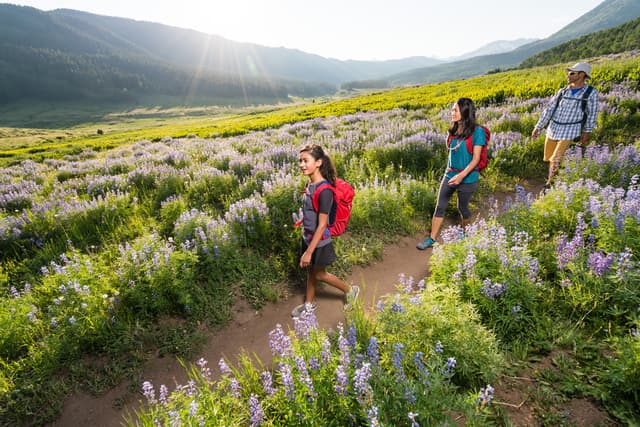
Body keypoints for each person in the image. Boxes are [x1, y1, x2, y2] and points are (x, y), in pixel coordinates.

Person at [291, 144, 360, 317]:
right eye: (300, 161)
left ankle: (350, 291)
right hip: (308, 238)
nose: (302, 164)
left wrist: (308, 252)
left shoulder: (325, 191)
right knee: (311, 273)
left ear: (319, 162)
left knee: (319, 274)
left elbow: (322, 225)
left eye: (306, 160)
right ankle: (309, 304)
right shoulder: (310, 184)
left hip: (319, 241)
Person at [416, 97, 486, 250]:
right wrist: (450, 172)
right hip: (450, 174)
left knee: (463, 208)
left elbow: (476, 159)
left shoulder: (477, 132)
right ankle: (432, 238)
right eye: (452, 109)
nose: (452, 112)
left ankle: (466, 232)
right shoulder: (453, 130)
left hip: (468, 177)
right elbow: (451, 155)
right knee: (440, 206)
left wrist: (461, 176)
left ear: (465, 112)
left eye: (455, 109)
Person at [531, 62, 598, 188]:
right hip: (554, 128)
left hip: (571, 129)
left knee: (556, 158)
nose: (568, 75)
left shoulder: (590, 92)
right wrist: (538, 126)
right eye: (568, 72)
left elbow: (592, 114)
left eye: (572, 73)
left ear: (582, 75)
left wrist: (586, 132)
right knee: (549, 158)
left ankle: (550, 184)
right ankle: (557, 176)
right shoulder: (562, 91)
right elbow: (549, 109)